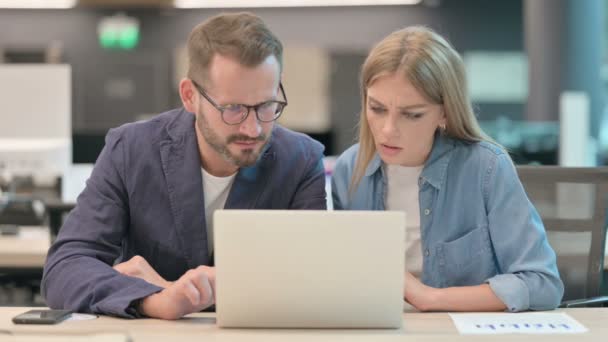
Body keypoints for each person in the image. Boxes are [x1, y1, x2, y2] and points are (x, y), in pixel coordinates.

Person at [42, 12, 327, 320]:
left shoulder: (301, 160)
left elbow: (310, 280)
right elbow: (65, 268)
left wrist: (166, 287)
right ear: (191, 96)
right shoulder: (132, 150)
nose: (253, 128)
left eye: (266, 105)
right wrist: (154, 300)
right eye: (233, 108)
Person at [331, 26, 563, 312]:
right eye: (377, 108)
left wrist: (430, 298)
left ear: (444, 112)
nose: (388, 130)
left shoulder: (486, 169)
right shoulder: (349, 170)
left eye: (412, 114)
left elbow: (542, 283)